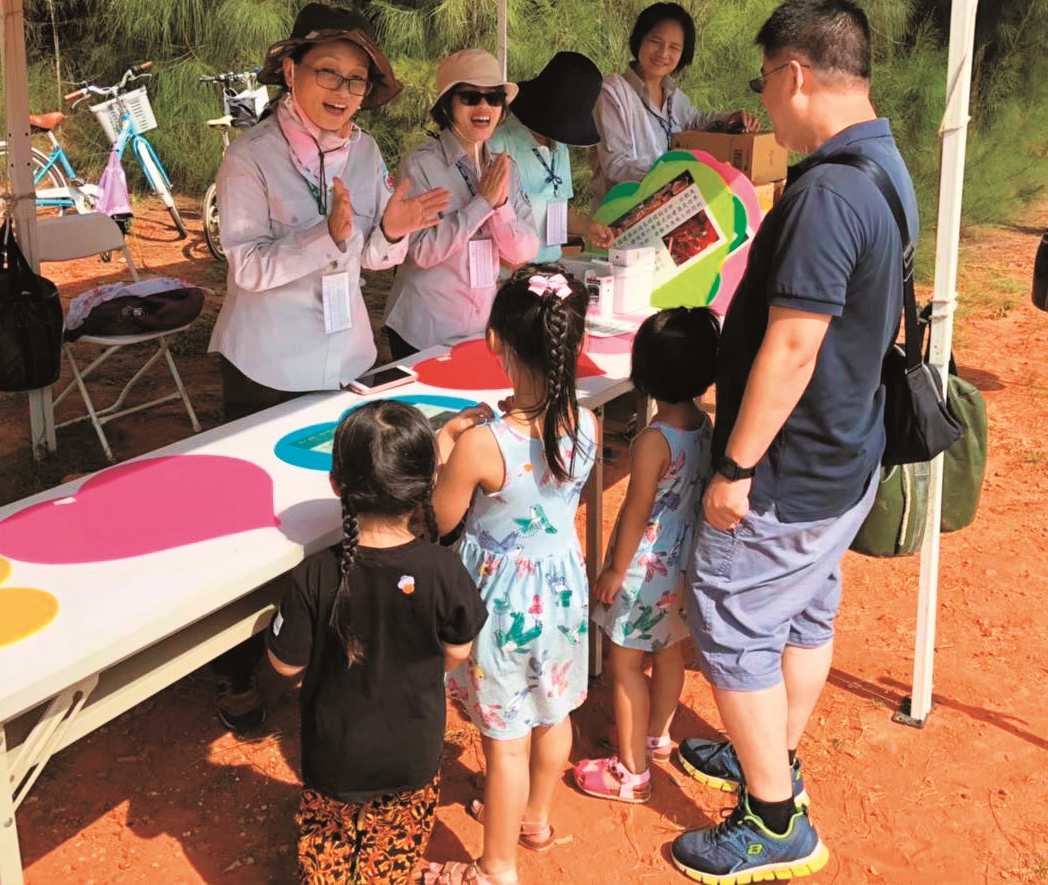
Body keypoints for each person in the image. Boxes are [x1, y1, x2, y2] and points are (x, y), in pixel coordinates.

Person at [670, 0, 918, 884]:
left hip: (789, 464)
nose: (763, 106)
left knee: (734, 628)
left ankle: (776, 823)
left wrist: (735, 467)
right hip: (845, 454)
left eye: (766, 83)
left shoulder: (828, 192)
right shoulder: (884, 162)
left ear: (795, 73)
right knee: (808, 610)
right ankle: (772, 752)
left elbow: (794, 343)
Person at [208, 3, 450, 736]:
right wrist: (327, 233)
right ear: (290, 71)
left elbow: (371, 256)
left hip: (347, 360)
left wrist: (394, 233)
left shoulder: (369, 154)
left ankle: (332, 648)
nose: (343, 92)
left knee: (345, 508)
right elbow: (245, 267)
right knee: (258, 525)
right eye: (327, 74)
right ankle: (242, 671)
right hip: (267, 363)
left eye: (356, 80)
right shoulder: (249, 156)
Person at [265, 400, 488, 885]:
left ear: (336, 485)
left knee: (326, 848)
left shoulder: (315, 574)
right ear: (426, 486)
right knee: (392, 854)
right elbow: (459, 650)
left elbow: (285, 666)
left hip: (334, 754)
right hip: (412, 751)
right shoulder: (443, 569)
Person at [423, 265, 597, 885]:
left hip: (499, 606)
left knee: (506, 741)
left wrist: (446, 439)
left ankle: (497, 866)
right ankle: (536, 819)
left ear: (496, 341)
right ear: (574, 345)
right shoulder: (590, 423)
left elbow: (442, 520)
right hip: (561, 594)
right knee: (552, 712)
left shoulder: (482, 443)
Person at [573, 307, 718, 804]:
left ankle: (631, 773)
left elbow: (636, 514)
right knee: (669, 649)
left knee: (626, 665)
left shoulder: (655, 439)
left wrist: (615, 569)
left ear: (647, 374)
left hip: (643, 570)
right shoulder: (706, 426)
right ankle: (655, 734)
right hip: (681, 566)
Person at [383, 49, 541, 360]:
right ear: (448, 105)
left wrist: (501, 205)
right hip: (426, 328)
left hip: (482, 327)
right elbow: (420, 252)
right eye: (470, 96)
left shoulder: (506, 168)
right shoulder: (422, 164)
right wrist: (481, 204)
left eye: (494, 98)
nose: (484, 106)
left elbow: (522, 253)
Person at [591, 1, 760, 210]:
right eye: (655, 41)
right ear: (639, 40)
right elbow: (616, 164)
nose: (663, 53)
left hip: (669, 213)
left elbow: (693, 121)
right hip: (622, 218)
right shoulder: (613, 93)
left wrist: (729, 119)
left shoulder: (672, 94)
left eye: (674, 47)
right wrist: (679, 175)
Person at [488, 51, 615, 260]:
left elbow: (556, 207)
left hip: (550, 266)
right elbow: (489, 217)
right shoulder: (499, 144)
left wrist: (587, 227)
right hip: (511, 270)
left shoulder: (560, 146)